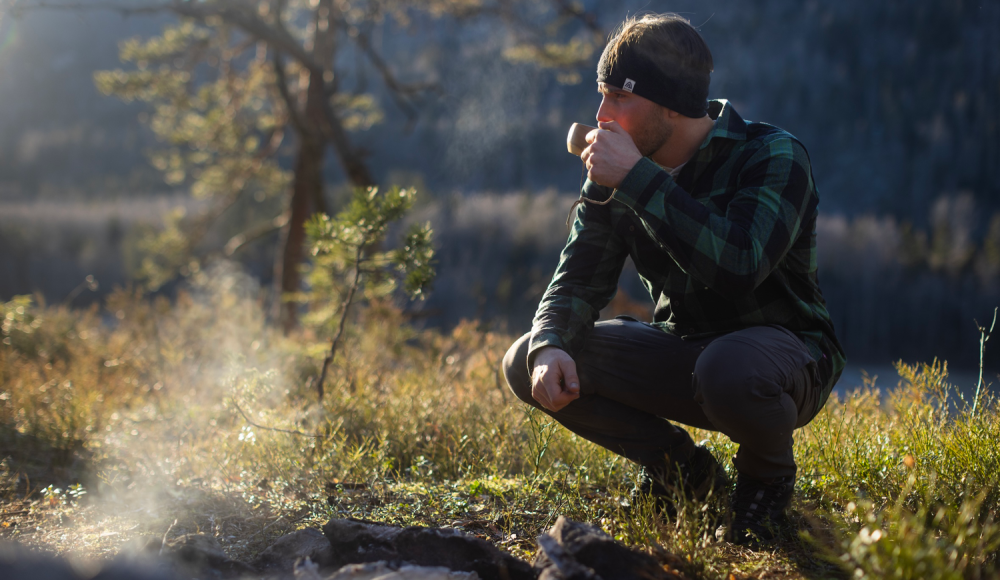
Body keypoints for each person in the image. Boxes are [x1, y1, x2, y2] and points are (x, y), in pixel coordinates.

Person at [501, 13, 845, 546]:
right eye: (601, 94)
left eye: (619, 97)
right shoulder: (617, 174)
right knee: (527, 358)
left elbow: (740, 266)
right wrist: (549, 346)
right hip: (686, 350)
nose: (600, 114)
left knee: (728, 369)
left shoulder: (772, 155)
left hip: (786, 355)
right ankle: (685, 473)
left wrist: (638, 179)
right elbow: (576, 281)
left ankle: (766, 479)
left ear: (671, 105)